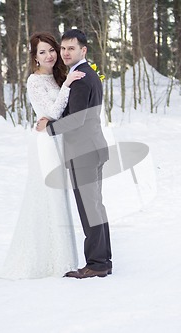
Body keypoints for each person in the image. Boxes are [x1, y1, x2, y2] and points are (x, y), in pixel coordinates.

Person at [0, 32, 85, 279]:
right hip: (45, 143)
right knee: (48, 197)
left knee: (60, 199)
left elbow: (65, 112)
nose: (49, 55)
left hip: (59, 139)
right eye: (42, 52)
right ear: (35, 57)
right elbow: (51, 112)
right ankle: (45, 261)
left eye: (51, 50)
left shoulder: (59, 76)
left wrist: (67, 83)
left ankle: (62, 258)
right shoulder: (34, 81)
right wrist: (67, 85)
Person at [36, 29, 112, 279]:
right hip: (92, 148)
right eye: (64, 48)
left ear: (83, 50)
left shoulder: (80, 78)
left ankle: (97, 264)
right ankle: (103, 260)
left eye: (72, 48)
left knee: (90, 210)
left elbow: (77, 120)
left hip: (84, 153)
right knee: (95, 207)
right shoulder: (85, 72)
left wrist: (49, 127)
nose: (66, 53)